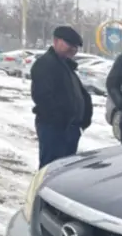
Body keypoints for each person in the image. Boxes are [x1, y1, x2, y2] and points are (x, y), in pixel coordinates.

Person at [30, 26, 93, 168]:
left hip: (70, 129)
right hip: (54, 129)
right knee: (51, 169)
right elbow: (42, 97)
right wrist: (60, 120)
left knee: (64, 171)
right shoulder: (46, 64)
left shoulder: (66, 66)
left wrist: (83, 119)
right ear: (56, 41)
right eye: (69, 44)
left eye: (75, 46)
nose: (73, 49)